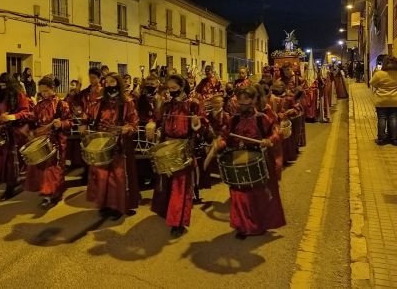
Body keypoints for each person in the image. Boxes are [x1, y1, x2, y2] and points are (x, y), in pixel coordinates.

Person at [214, 86, 286, 239]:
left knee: (257, 196)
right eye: (240, 103)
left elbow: (277, 132)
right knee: (239, 196)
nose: (243, 106)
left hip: (258, 159)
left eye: (246, 103)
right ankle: (242, 226)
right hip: (238, 160)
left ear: (253, 101)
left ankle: (258, 225)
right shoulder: (233, 120)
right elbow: (225, 135)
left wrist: (269, 140)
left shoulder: (262, 118)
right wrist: (221, 142)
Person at [151, 75, 210, 238]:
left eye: (173, 88)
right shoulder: (168, 104)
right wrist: (154, 126)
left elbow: (203, 125)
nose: (171, 91)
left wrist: (197, 125)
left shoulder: (193, 104)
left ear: (182, 87)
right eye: (169, 88)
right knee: (166, 183)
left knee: (180, 186)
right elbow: (158, 121)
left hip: (184, 147)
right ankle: (168, 212)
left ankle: (178, 222)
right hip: (168, 146)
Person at [86, 72, 139, 220]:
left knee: (117, 176)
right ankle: (104, 204)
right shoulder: (98, 102)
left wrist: (126, 128)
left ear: (119, 83)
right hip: (101, 142)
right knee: (102, 175)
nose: (109, 84)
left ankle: (117, 206)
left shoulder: (127, 102)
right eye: (106, 82)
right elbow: (89, 116)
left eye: (112, 82)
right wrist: (84, 123)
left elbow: (134, 122)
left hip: (119, 144)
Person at [0, 73, 33, 200]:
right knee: (1, 160)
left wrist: (12, 116)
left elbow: (26, 112)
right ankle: (5, 180)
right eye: (1, 85)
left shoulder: (19, 95)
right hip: (2, 132)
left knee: (13, 162)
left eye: (5, 85)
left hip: (15, 132)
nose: (3, 87)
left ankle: (10, 188)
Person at [25, 77, 72, 209]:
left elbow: (70, 121)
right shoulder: (39, 105)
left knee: (55, 169)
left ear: (53, 89)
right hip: (42, 140)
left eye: (46, 91)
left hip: (57, 140)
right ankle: (47, 194)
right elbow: (33, 119)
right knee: (43, 170)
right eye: (41, 92)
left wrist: (61, 123)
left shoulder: (61, 104)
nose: (44, 94)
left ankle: (55, 194)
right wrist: (30, 130)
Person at [369, 55, 397, 146]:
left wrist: (380, 87)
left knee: (382, 118)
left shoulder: (379, 74)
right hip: (396, 100)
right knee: (394, 118)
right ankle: (395, 139)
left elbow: (372, 83)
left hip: (381, 100)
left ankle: (381, 139)